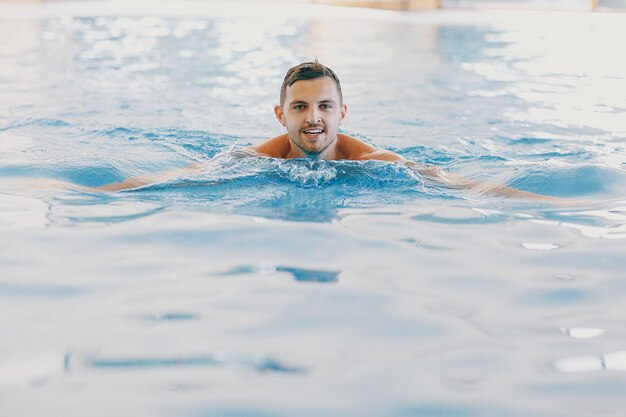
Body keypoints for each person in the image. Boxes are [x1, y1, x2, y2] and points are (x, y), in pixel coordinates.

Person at [27, 61, 571, 203]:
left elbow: (452, 184)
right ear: (280, 114)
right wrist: (90, 195)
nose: (314, 117)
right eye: (301, 107)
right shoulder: (257, 158)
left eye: (325, 107)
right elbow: (182, 178)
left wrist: (542, 202)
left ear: (342, 113)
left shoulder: (374, 162)